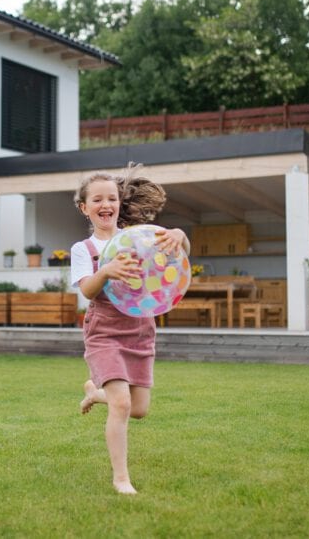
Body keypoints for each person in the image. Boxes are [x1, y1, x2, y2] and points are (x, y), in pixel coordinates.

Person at [70, 169, 189, 495]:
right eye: (97, 199)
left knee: (138, 409)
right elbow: (89, 292)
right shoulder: (84, 249)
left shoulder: (141, 236)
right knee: (121, 405)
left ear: (120, 203)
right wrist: (105, 270)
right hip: (104, 333)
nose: (105, 204)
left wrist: (179, 234)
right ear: (85, 207)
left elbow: (178, 251)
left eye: (112, 198)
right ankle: (121, 479)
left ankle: (95, 393)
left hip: (139, 331)